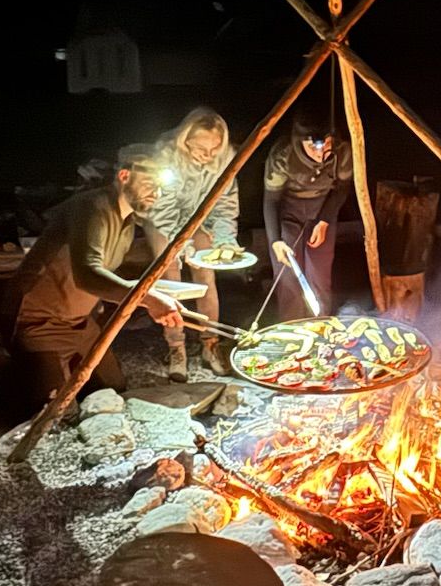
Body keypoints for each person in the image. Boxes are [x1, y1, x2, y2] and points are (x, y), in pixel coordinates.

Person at [10, 147, 185, 403]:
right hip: (40, 321)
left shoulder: (126, 221)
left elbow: (104, 272)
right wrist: (146, 298)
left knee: (113, 389)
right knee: (54, 409)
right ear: (125, 176)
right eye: (149, 183)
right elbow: (88, 275)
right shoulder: (91, 207)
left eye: (160, 188)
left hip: (81, 323)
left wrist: (152, 293)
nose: (155, 194)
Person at [141, 107, 240, 381]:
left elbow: (225, 203)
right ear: (185, 140)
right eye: (200, 149)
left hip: (200, 216)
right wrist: (179, 245)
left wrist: (225, 239)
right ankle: (177, 347)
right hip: (162, 217)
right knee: (171, 271)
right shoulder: (165, 156)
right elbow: (164, 208)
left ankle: (210, 344)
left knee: (206, 269)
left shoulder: (225, 159)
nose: (207, 156)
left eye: (213, 149)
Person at [262, 112, 351, 319]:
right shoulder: (283, 154)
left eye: (327, 146)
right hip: (288, 213)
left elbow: (342, 189)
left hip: (322, 210)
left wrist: (325, 220)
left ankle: (320, 327)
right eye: (315, 148)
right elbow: (271, 200)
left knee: (319, 275)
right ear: (300, 141)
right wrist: (276, 241)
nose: (322, 155)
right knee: (288, 275)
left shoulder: (341, 151)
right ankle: (293, 329)